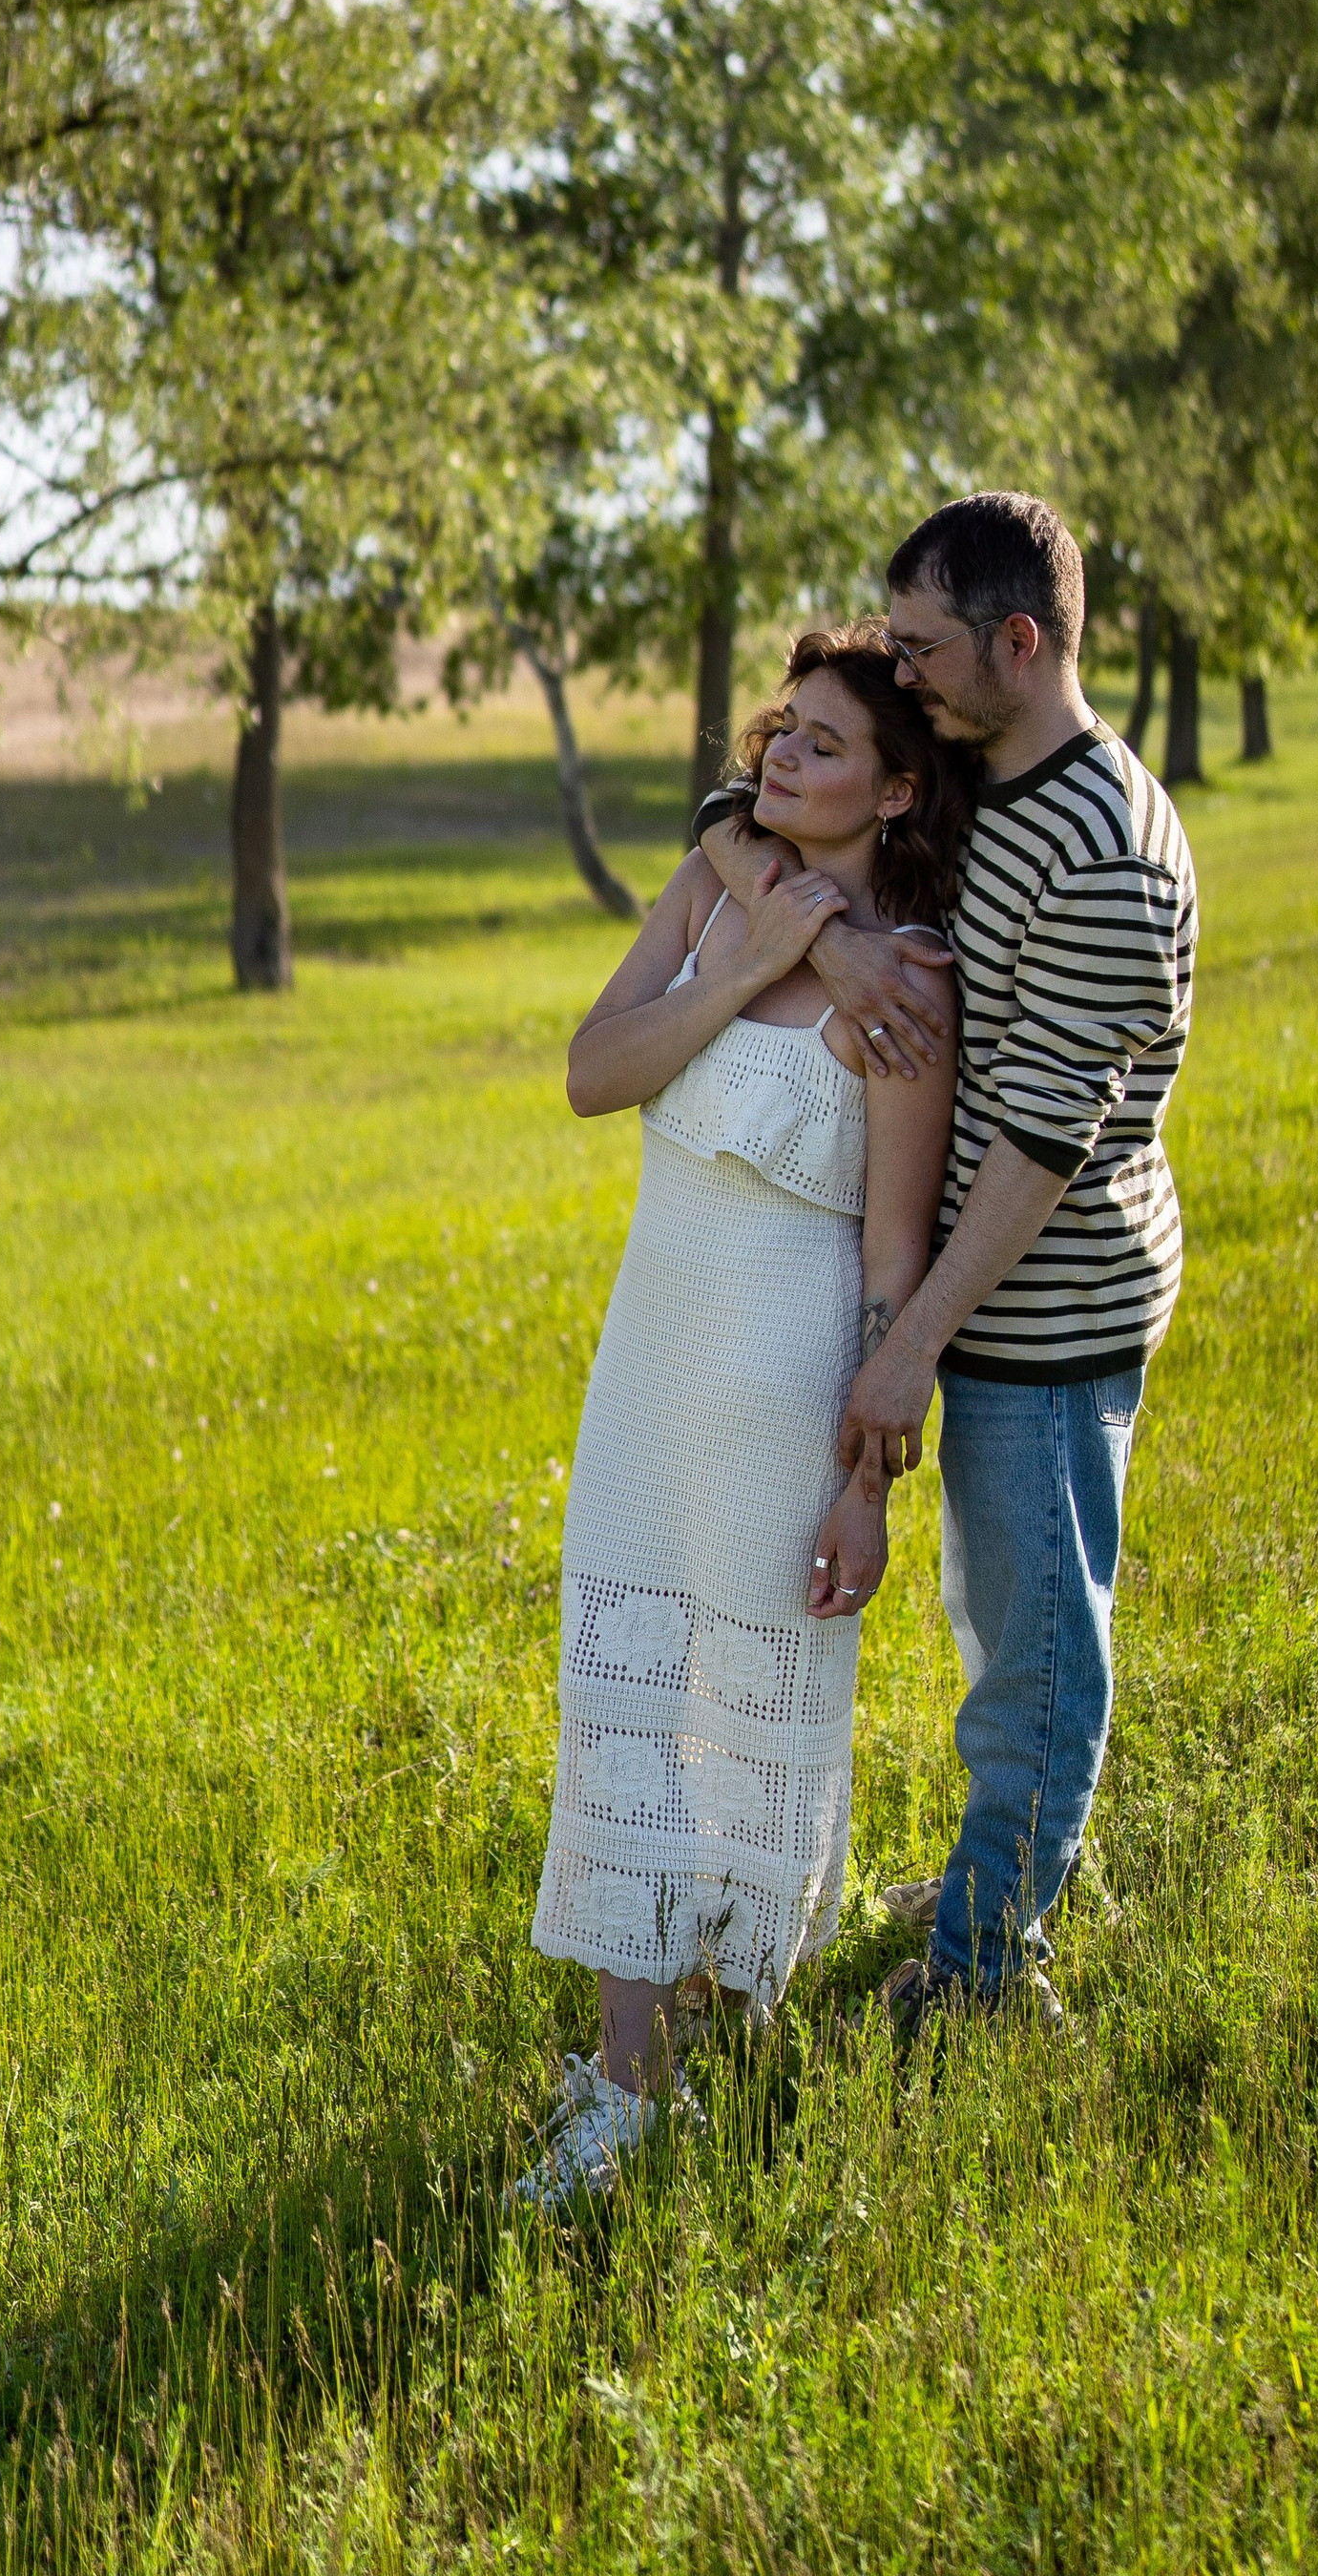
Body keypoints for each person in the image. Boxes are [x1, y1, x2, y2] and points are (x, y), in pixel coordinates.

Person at [695, 492, 1196, 2033]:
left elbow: (1044, 1143)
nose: (899, 675)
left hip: (1041, 1308)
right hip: (981, 1301)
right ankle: (1016, 1860)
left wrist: (910, 1340)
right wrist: (828, 942)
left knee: (1039, 1653)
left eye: (919, 648)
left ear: (1018, 643)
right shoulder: (990, 778)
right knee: (999, 1616)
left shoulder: (1102, 846)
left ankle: (982, 1969)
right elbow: (730, 816)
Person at [519, 629, 967, 2208]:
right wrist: (748, 964)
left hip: (782, 1387)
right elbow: (591, 1071)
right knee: (624, 1696)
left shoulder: (911, 981)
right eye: (782, 735)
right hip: (646, 1373)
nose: (780, 760)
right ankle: (626, 2084)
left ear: (900, 789)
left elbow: (893, 1262)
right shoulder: (717, 891)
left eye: (825, 748)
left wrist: (869, 1489)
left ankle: (723, 2043)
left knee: (746, 1707)